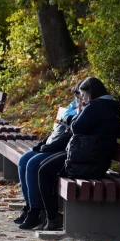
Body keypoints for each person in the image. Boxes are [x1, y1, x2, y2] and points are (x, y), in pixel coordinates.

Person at [36, 77, 120, 231]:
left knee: (44, 171)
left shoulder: (96, 106)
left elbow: (76, 126)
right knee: (44, 167)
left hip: (89, 162)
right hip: (94, 158)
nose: (82, 100)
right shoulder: (108, 105)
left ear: (91, 92)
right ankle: (50, 216)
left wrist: (75, 116)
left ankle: (52, 218)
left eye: (83, 95)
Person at [14, 82, 83, 230]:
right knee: (23, 160)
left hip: (62, 149)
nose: (77, 98)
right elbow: (56, 131)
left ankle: (36, 211)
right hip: (52, 144)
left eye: (80, 94)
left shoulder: (84, 111)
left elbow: (69, 137)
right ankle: (29, 205)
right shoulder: (72, 108)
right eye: (76, 94)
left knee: (33, 164)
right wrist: (43, 144)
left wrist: (49, 147)